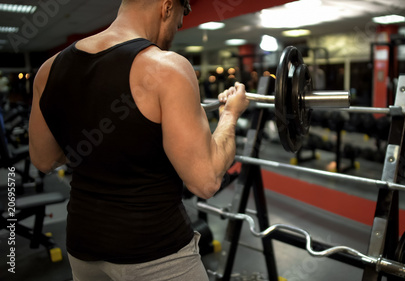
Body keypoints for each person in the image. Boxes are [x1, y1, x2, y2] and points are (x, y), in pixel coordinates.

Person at [28, 0, 249, 280]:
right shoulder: (167, 67)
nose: (174, 33)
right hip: (156, 253)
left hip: (83, 247)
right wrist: (230, 115)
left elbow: (43, 159)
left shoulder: (49, 69)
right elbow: (205, 181)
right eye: (178, 22)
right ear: (167, 7)